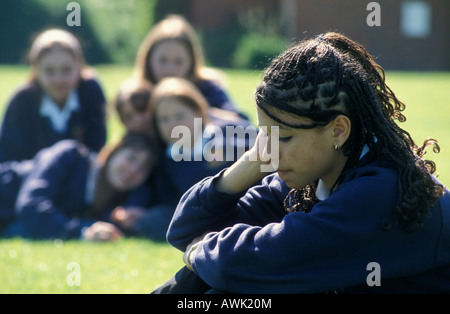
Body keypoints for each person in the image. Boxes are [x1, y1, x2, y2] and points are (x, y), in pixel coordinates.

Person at [153, 32, 450, 294]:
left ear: (337, 130)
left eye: (283, 137)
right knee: (203, 282)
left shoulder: (381, 190)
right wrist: (248, 165)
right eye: (263, 134)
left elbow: (265, 261)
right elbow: (184, 230)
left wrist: (201, 251)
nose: (268, 149)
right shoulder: (312, 176)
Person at [110, 77, 254, 241]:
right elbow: (173, 205)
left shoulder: (229, 134)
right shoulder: (168, 160)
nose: (171, 124)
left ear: (199, 112)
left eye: (179, 115)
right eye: (164, 119)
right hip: (203, 218)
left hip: (250, 209)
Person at [0, 132, 156, 241]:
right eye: (131, 158)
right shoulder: (70, 155)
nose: (134, 170)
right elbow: (30, 206)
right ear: (114, 152)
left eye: (143, 169)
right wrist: (82, 232)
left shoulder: (114, 204)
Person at [0, 28, 107, 162]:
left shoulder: (91, 93)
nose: (59, 80)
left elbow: (96, 150)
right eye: (49, 71)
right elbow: (7, 160)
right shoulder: (22, 101)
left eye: (66, 70)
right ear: (36, 69)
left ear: (79, 66)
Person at [133, 14, 247, 118]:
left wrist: (197, 112)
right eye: (163, 60)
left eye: (179, 61)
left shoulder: (207, 88)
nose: (170, 69)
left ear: (191, 62)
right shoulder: (141, 94)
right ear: (148, 59)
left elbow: (241, 121)